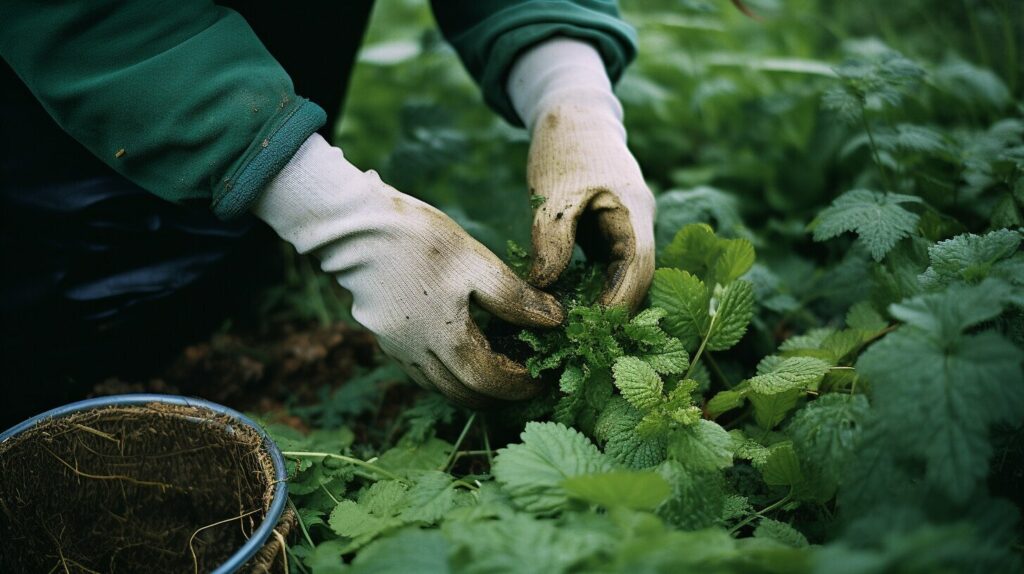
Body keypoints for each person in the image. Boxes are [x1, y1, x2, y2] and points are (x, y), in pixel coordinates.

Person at [0, 1, 655, 414]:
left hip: (257, 84)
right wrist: (332, 213)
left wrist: (571, 95)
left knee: (211, 279)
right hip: (61, 96)